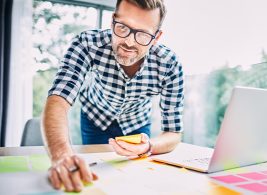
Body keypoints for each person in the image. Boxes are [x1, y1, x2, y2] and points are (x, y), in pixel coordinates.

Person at [42, 0, 184, 192]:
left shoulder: (169, 65)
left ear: (156, 37)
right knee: (93, 180)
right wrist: (61, 156)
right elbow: (58, 99)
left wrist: (149, 146)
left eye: (142, 34)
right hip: (95, 119)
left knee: (135, 181)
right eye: (123, 27)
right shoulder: (87, 44)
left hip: (137, 124)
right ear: (112, 21)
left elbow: (173, 132)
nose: (129, 42)